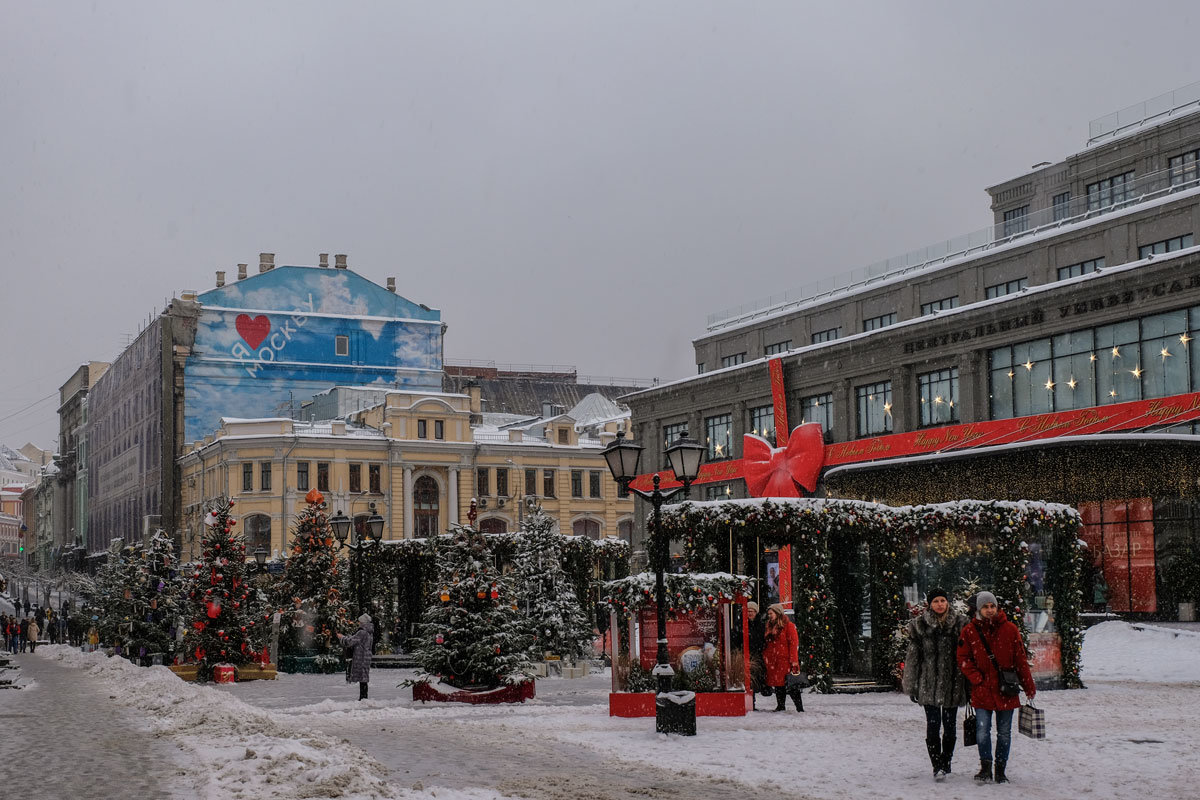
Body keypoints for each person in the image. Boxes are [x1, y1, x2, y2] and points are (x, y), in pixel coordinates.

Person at [957, 590, 1036, 784]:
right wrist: (976, 678)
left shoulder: (1010, 629)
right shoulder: (970, 631)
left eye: (992, 606)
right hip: (982, 690)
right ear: (979, 609)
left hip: (1006, 690)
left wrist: (1028, 686)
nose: (989, 610)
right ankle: (985, 767)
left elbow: (1020, 660)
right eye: (985, 607)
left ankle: (1000, 769)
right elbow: (963, 657)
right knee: (982, 731)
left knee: (1004, 732)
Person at [903, 587, 969, 780]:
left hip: (952, 683)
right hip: (928, 683)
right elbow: (913, 657)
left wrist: (968, 684)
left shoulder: (960, 624)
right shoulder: (920, 625)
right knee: (933, 725)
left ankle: (946, 762)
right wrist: (912, 684)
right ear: (929, 604)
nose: (940, 604)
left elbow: (967, 655)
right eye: (935, 601)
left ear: (947, 602)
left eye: (942, 600)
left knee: (949, 726)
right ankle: (936, 764)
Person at [761, 603, 802, 712]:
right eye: (768, 614)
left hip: (784, 660)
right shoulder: (769, 626)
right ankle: (780, 705)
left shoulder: (789, 626)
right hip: (773, 660)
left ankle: (799, 707)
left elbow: (793, 644)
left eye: (771, 613)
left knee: (791, 684)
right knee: (778, 684)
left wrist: (794, 661)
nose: (769, 616)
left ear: (778, 613)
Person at [338, 613, 374, 701]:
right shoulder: (369, 632)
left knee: (363, 678)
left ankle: (363, 698)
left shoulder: (362, 632)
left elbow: (350, 641)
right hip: (366, 656)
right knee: (364, 677)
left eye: (359, 622)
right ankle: (363, 697)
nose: (358, 623)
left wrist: (341, 637)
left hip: (361, 656)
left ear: (363, 622)